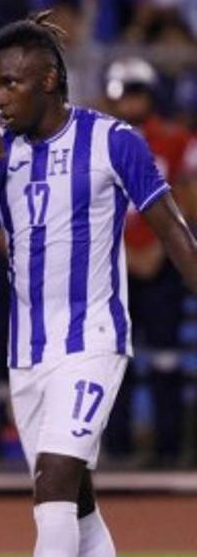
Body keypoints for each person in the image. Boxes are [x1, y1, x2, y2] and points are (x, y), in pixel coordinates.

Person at [0, 14, 197, 557]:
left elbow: (172, 230)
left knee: (54, 481)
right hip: (26, 355)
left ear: (50, 80)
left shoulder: (112, 140)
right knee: (76, 501)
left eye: (12, 83)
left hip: (92, 343)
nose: (0, 97)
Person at [102, 57, 197, 468]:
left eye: (137, 92)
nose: (130, 101)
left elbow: (188, 196)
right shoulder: (100, 140)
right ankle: (118, 449)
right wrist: (124, 250)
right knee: (115, 360)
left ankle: (168, 448)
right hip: (113, 264)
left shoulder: (176, 140)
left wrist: (160, 248)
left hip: (161, 263)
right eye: (123, 93)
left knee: (165, 357)